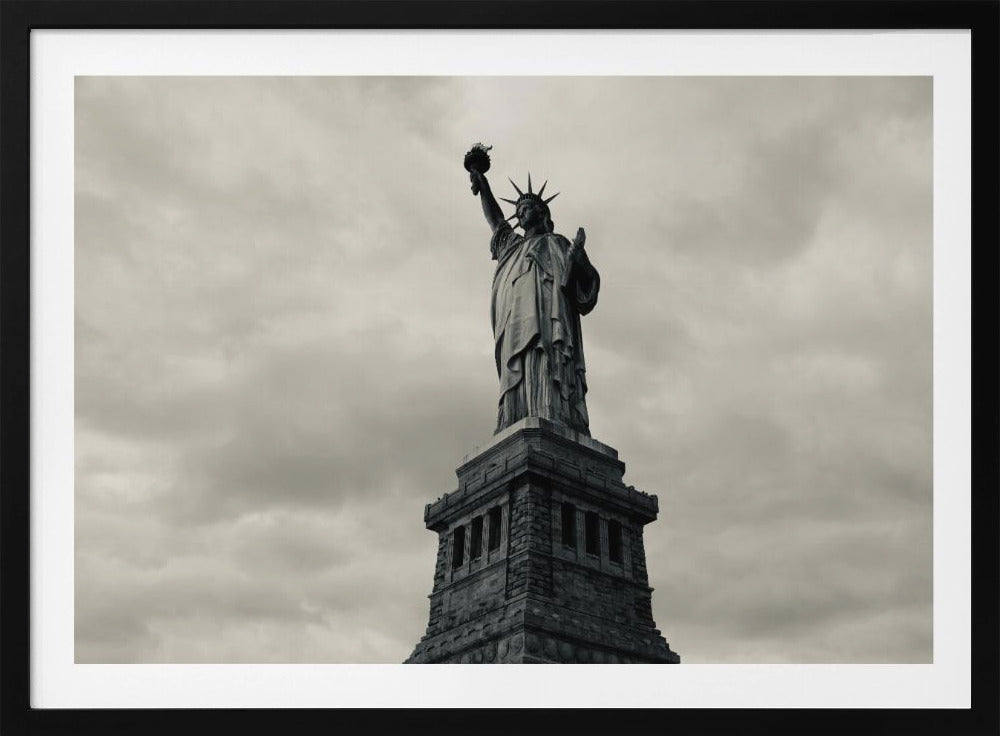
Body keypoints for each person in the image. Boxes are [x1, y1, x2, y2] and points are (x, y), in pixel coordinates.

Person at [469, 168, 600, 436]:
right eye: (518, 212)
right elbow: (496, 222)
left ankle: (553, 412)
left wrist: (579, 259)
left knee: (545, 364)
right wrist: (483, 186)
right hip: (516, 327)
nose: (521, 215)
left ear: (542, 212)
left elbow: (586, 287)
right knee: (521, 367)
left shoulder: (558, 244)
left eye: (526, 209)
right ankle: (516, 415)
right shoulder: (512, 248)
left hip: (550, 323)